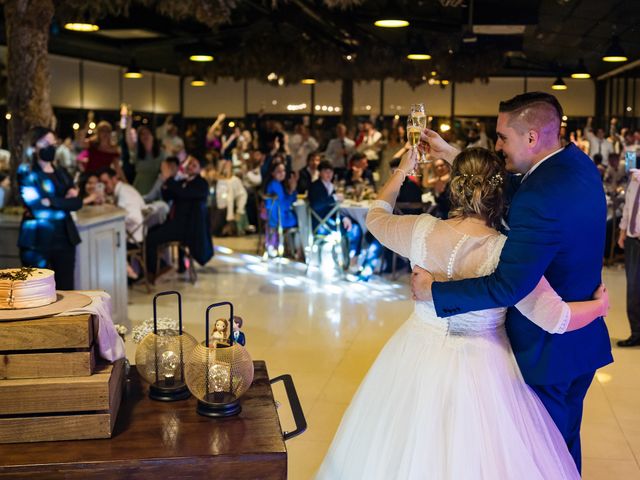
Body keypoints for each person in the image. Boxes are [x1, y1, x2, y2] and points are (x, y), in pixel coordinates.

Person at [317, 146, 609, 479]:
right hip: (484, 364)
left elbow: (375, 216)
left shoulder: (421, 230)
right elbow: (556, 319)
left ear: (455, 186)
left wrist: (402, 170)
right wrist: (599, 306)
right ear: (499, 192)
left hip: (415, 354)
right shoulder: (505, 251)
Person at [411, 92, 613, 472]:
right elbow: (512, 184)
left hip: (545, 350)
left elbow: (508, 285)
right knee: (564, 447)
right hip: (580, 341)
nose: (497, 145)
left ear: (532, 137)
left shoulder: (540, 197)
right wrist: (450, 152)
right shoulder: (575, 165)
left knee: (541, 457)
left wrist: (434, 292)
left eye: (503, 137)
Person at [17, 127, 82, 290]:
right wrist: (64, 202)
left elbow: (77, 203)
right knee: (38, 293)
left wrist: (50, 201)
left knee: (67, 291)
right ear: (33, 146)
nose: (51, 147)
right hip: (37, 241)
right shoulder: (27, 172)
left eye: (53, 143)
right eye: (45, 143)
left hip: (65, 239)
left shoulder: (61, 172)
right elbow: (38, 209)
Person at [145, 156, 213, 282]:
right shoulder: (183, 182)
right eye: (189, 163)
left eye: (194, 165)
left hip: (187, 228)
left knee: (151, 239)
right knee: (150, 231)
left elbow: (184, 193)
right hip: (176, 224)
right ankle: (162, 266)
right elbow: (168, 196)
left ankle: (154, 272)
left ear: (200, 169)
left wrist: (169, 179)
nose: (190, 166)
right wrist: (165, 182)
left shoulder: (201, 184)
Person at [617, 168, 640, 346]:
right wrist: (623, 231)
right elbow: (628, 207)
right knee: (633, 289)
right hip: (633, 241)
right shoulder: (634, 178)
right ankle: (636, 332)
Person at [126, 123, 165, 197]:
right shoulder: (137, 152)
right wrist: (129, 123)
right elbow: (128, 141)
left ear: (153, 135)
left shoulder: (161, 153)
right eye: (142, 134)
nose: (145, 136)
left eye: (147, 133)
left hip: (155, 188)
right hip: (139, 187)